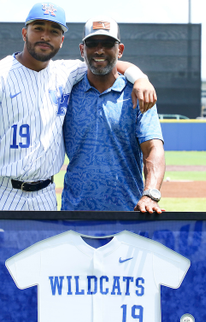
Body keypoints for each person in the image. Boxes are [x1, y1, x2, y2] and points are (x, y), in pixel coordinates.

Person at [0, 3, 157, 322]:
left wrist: (140, 76)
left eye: (53, 31)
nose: (45, 36)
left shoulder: (67, 73)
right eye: (39, 28)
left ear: (64, 41)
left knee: (41, 290)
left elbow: (111, 61)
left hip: (45, 197)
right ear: (24, 32)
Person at [61, 16, 166, 214]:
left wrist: (150, 194)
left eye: (108, 44)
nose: (99, 50)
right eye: (92, 44)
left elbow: (153, 148)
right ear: (82, 49)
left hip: (130, 213)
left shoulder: (138, 94)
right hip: (74, 213)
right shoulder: (66, 91)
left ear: (120, 50)